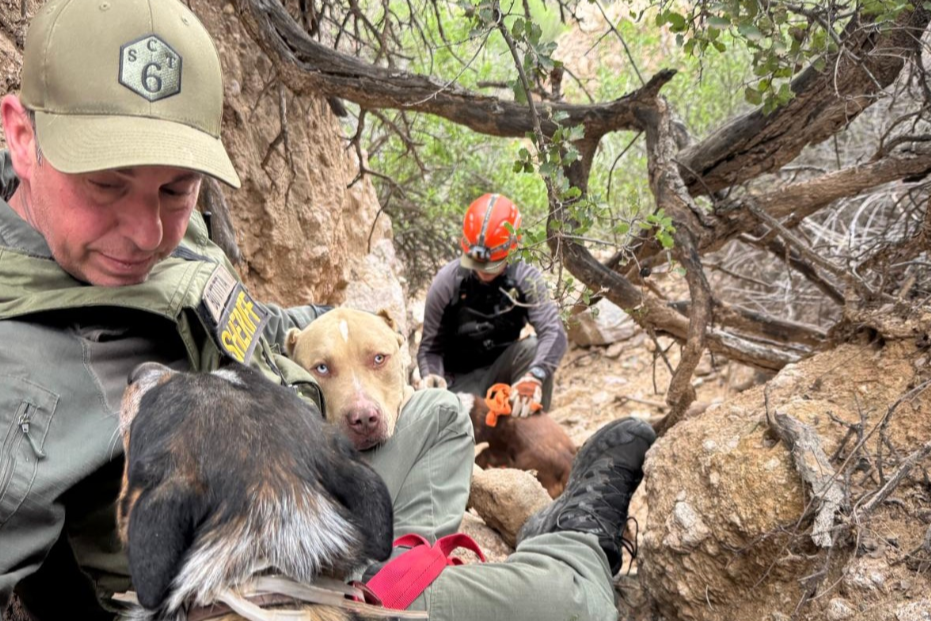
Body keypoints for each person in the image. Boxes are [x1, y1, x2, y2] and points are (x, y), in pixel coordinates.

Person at [0, 1, 655, 620]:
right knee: (567, 603)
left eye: (176, 188)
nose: (147, 231)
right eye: (105, 185)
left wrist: (330, 328)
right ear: (22, 136)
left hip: (304, 463)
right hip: (240, 582)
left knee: (435, 418)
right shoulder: (16, 374)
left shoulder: (146, 231)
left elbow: (247, 325)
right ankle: (576, 551)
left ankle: (393, 567)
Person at [417, 193, 568, 417]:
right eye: (477, 264)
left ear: (513, 248)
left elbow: (553, 332)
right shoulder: (447, 282)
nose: (484, 271)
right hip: (458, 381)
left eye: (493, 264)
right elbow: (430, 349)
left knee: (533, 348)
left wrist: (535, 376)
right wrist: (432, 376)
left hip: (501, 370)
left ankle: (529, 423)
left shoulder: (525, 278)